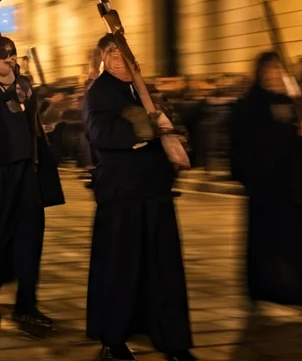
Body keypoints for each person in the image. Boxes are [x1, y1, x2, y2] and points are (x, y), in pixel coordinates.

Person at [83, 34, 194, 361]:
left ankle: (172, 341)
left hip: (154, 193)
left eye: (123, 52)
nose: (118, 58)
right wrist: (141, 130)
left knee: (163, 273)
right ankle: (113, 341)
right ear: (103, 57)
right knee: (120, 271)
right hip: (122, 196)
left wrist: (173, 137)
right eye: (111, 53)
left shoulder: (142, 88)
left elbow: (165, 126)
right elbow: (99, 132)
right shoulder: (98, 92)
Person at [0, 36, 54, 328]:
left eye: (13, 56)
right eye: (4, 57)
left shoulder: (24, 83)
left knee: (30, 237)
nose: (11, 60)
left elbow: (33, 125)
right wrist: (9, 98)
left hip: (24, 172)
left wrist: (28, 98)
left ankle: (27, 304)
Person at [228, 51, 302, 314]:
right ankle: (264, 289)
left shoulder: (295, 104)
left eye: (279, 70)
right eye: (269, 70)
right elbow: (251, 143)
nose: (275, 75)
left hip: (291, 185)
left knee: (296, 239)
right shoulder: (249, 104)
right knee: (265, 241)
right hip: (264, 186)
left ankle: (300, 290)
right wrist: (292, 133)